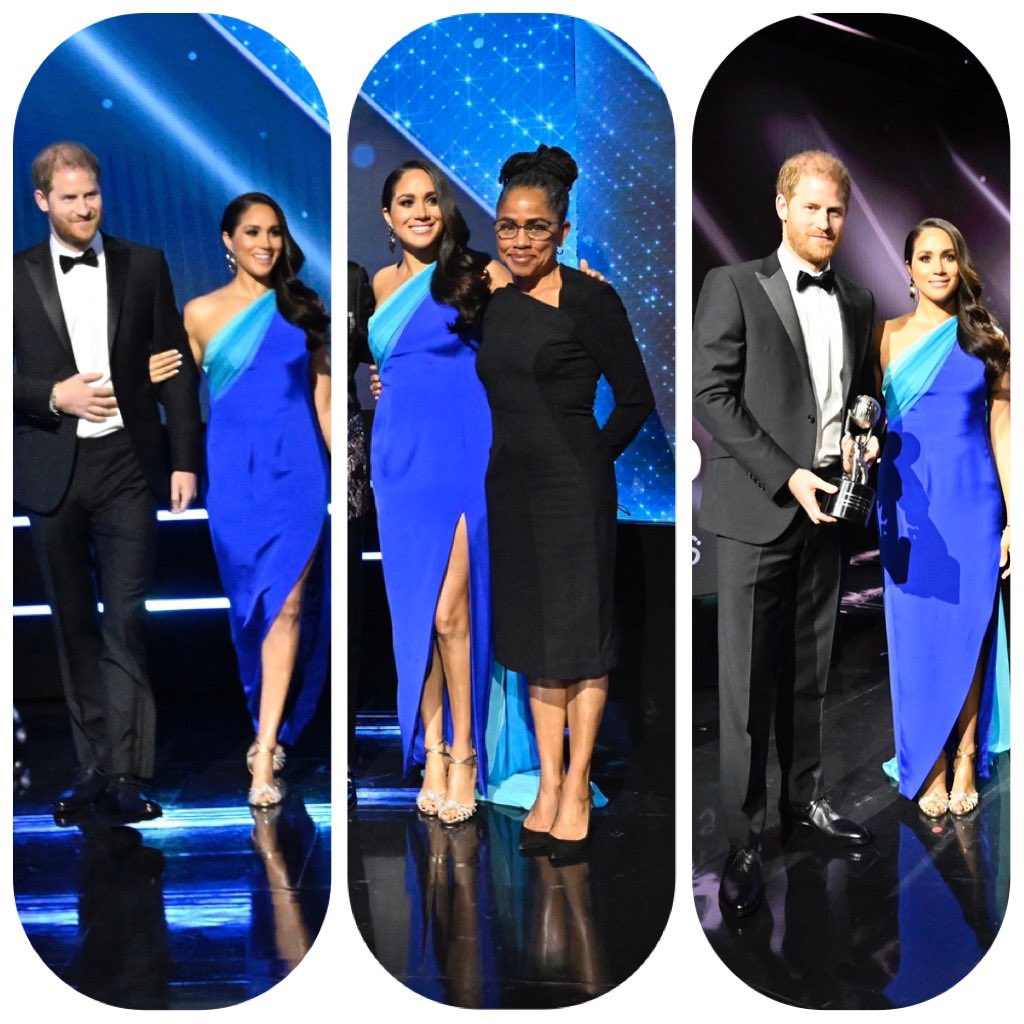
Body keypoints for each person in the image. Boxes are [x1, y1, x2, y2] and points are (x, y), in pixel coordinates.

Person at [692, 150, 877, 916]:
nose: (824, 222)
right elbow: (710, 393)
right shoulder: (734, 284)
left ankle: (804, 806)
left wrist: (866, 443)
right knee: (745, 687)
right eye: (811, 208)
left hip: (827, 515)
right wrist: (787, 474)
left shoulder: (859, 300)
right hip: (757, 511)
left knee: (810, 673)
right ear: (781, 207)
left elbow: (860, 399)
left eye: (835, 211)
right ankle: (742, 839)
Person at [476, 145, 655, 864]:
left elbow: (636, 399)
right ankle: (547, 785)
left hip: (574, 492)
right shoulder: (490, 300)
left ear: (562, 231)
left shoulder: (591, 300)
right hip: (509, 489)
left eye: (536, 227)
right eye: (508, 226)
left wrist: (591, 459)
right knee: (535, 644)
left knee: (581, 642)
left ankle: (578, 785)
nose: (520, 240)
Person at [13, 141, 201, 822]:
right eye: (69, 198)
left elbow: (173, 366)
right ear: (43, 201)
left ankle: (125, 772)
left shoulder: (143, 264)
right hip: (51, 466)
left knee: (125, 618)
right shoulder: (14, 275)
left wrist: (184, 458)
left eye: (90, 194)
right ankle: (91, 766)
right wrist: (52, 395)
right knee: (72, 623)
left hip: (127, 460)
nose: (84, 207)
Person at [152, 192, 330, 807]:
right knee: (249, 611)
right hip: (233, 478)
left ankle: (265, 747)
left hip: (298, 474)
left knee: (287, 607)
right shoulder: (199, 313)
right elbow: (178, 398)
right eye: (252, 232)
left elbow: (324, 400)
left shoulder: (304, 309)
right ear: (227, 241)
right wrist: (148, 384)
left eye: (274, 232)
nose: (265, 243)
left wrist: (346, 473)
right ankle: (264, 718)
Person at [368, 159, 530, 826]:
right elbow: (390, 365)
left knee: (449, 615)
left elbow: (532, 325)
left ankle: (466, 752)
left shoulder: (479, 273)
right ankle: (431, 751)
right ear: (388, 216)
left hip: (464, 453)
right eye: (406, 201)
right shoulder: (378, 284)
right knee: (416, 617)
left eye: (430, 199)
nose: (421, 211)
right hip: (397, 461)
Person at [875, 218, 1010, 819]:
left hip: (973, 504)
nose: (937, 267)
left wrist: (1016, 520)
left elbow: (1004, 431)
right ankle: (925, 760)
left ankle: (965, 756)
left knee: (969, 632)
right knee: (914, 636)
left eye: (948, 256)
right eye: (925, 257)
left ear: (961, 264)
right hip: (907, 508)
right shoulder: (883, 337)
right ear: (907, 269)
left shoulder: (988, 339)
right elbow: (865, 419)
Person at [347, 260, 374, 808]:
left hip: (344, 446)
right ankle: (275, 741)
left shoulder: (354, 278)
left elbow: (386, 349)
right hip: (277, 446)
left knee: (345, 603)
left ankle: (342, 753)